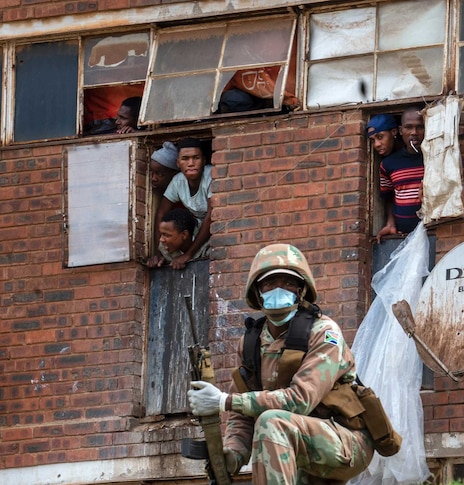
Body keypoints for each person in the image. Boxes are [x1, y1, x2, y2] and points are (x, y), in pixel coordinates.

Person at [187, 244, 379, 484]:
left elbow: (300, 401)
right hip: (289, 444)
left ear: (300, 290)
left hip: (346, 440)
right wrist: (231, 456)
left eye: (287, 283)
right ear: (257, 292)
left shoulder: (324, 333)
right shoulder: (250, 342)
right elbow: (242, 417)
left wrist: (223, 401)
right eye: (269, 283)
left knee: (270, 422)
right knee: (269, 425)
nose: (278, 289)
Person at [148, 138, 213, 270]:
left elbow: (212, 215)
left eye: (196, 158)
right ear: (178, 163)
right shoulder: (178, 181)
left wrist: (188, 254)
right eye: (185, 159)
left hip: (213, 228)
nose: (191, 163)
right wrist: (157, 253)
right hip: (197, 227)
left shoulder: (210, 175)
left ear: (204, 160)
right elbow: (161, 213)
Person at [376, 107, 425, 243]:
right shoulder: (389, 164)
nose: (414, 133)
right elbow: (389, 197)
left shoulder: (434, 159)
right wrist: (390, 224)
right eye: (408, 127)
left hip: (432, 233)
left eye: (420, 127)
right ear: (400, 130)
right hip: (403, 237)